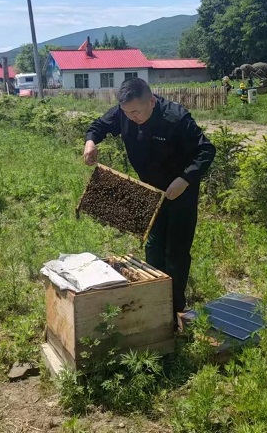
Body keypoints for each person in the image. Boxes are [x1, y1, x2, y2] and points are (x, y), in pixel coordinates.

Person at [83, 78, 216, 314]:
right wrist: (90, 142)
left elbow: (205, 150)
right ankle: (155, 302)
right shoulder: (124, 112)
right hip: (149, 191)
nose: (131, 117)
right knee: (154, 246)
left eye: (136, 112)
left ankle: (174, 308)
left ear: (152, 102)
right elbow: (99, 126)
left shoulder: (176, 118)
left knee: (175, 251)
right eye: (127, 113)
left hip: (180, 191)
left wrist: (185, 179)